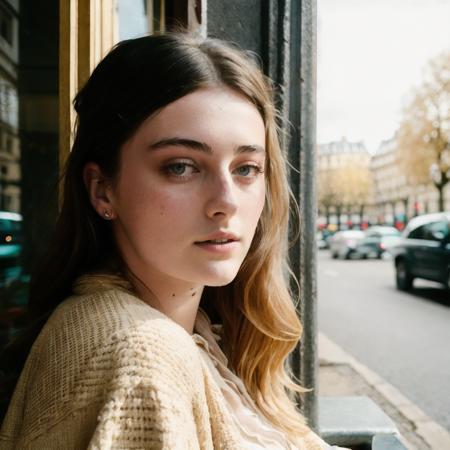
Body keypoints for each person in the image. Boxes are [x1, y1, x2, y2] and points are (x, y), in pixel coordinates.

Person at [0, 32, 345, 449]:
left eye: (247, 168)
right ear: (103, 190)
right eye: (181, 167)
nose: (226, 202)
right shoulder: (143, 357)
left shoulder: (195, 332)